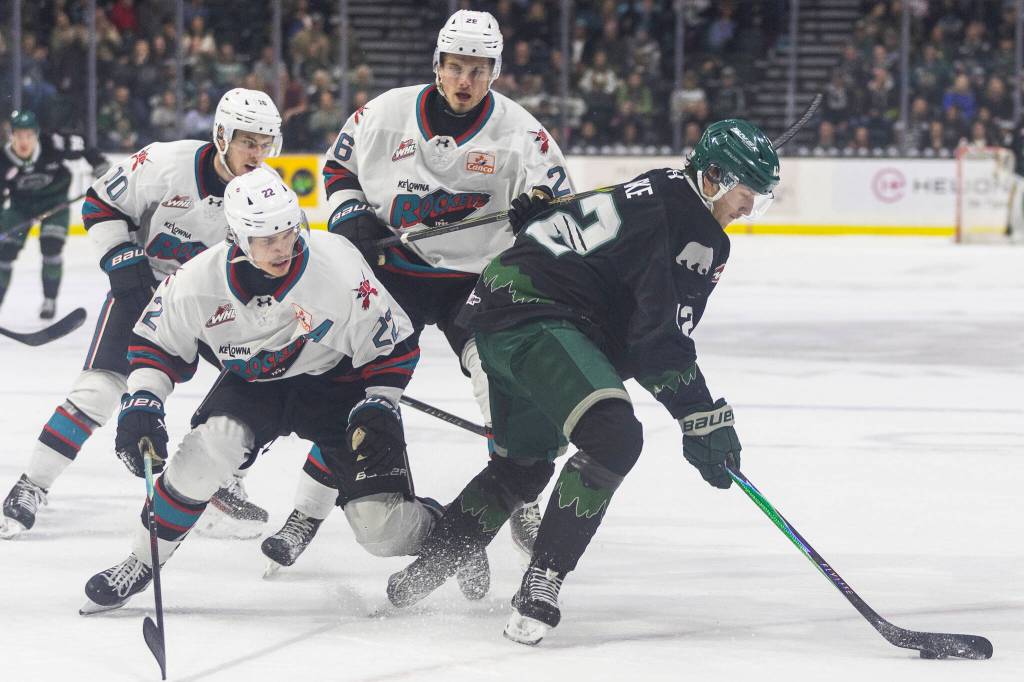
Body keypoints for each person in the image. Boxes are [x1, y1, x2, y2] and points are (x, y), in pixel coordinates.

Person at [385, 119, 780, 645]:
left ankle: (420, 576)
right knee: (614, 437)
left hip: (493, 313)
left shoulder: (657, 184)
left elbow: (580, 240)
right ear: (712, 177)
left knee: (520, 469)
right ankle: (541, 583)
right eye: (745, 193)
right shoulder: (697, 230)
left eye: (760, 197)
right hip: (538, 318)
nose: (748, 209)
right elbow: (657, 341)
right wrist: (702, 418)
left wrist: (542, 214)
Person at [261, 9, 574, 582]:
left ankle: (519, 493)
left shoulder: (523, 132)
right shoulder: (383, 113)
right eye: (455, 68)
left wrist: (539, 214)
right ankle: (306, 513)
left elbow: (561, 204)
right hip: (394, 272)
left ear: (495, 72)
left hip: (480, 281)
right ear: (437, 65)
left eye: (478, 71)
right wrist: (352, 215)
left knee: (501, 388)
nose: (464, 81)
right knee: (357, 392)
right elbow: (336, 168)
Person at [79, 168, 435, 613]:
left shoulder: (337, 267)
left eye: (287, 232)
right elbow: (155, 344)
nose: (282, 246)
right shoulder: (197, 280)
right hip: (256, 386)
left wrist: (380, 402)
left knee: (382, 530)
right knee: (205, 453)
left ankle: (450, 533)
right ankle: (141, 559)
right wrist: (143, 403)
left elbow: (393, 346)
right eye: (267, 238)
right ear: (237, 237)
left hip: (338, 387)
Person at [0, 89, 282, 540]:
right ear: (223, 135)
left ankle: (226, 478)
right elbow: (100, 203)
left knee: (258, 388)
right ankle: (32, 483)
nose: (258, 153)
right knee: (97, 392)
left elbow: (281, 262)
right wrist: (119, 258)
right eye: (249, 141)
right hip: (144, 292)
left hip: (212, 307)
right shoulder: (166, 163)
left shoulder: (266, 195)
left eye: (266, 143)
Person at [0, 110, 109, 319]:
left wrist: (99, 164)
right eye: (18, 135)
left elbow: (82, 144)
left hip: (54, 202)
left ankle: (49, 301)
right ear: (11, 135)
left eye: (29, 135)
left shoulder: (53, 143)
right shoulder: (3, 160)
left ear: (36, 134)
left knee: (51, 247)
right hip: (19, 209)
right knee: (4, 253)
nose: (24, 141)